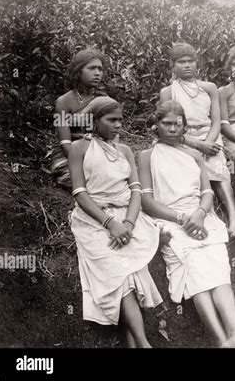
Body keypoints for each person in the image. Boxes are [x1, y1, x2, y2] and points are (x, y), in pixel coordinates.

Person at [138, 100, 235, 348]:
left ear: (184, 126)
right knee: (196, 273)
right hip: (170, 220)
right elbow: (146, 200)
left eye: (178, 124)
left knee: (218, 271)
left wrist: (199, 213)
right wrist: (181, 218)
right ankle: (221, 340)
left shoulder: (194, 154)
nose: (173, 129)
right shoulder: (146, 156)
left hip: (201, 217)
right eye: (166, 124)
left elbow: (207, 192)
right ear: (156, 126)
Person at [68, 96, 162, 348]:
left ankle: (136, 345)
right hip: (94, 218)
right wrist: (111, 223)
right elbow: (79, 193)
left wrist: (129, 224)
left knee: (130, 270)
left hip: (128, 216)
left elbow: (135, 190)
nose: (118, 125)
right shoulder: (79, 148)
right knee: (117, 270)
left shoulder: (125, 151)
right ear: (95, 121)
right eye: (111, 120)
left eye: (120, 119)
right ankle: (143, 343)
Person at [159, 42, 235, 238]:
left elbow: (216, 121)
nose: (187, 65)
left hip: (210, 136)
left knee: (219, 167)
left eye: (191, 61)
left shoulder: (209, 87)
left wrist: (209, 143)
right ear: (172, 66)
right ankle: (202, 214)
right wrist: (196, 144)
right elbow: (167, 126)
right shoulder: (168, 92)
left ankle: (233, 217)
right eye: (181, 62)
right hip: (181, 138)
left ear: (197, 64)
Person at [50, 49, 107, 189]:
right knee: (76, 180)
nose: (97, 73)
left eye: (100, 69)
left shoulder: (104, 100)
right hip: (69, 154)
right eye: (92, 68)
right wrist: (85, 162)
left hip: (97, 153)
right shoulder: (63, 102)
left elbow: (111, 139)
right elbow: (65, 143)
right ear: (79, 71)